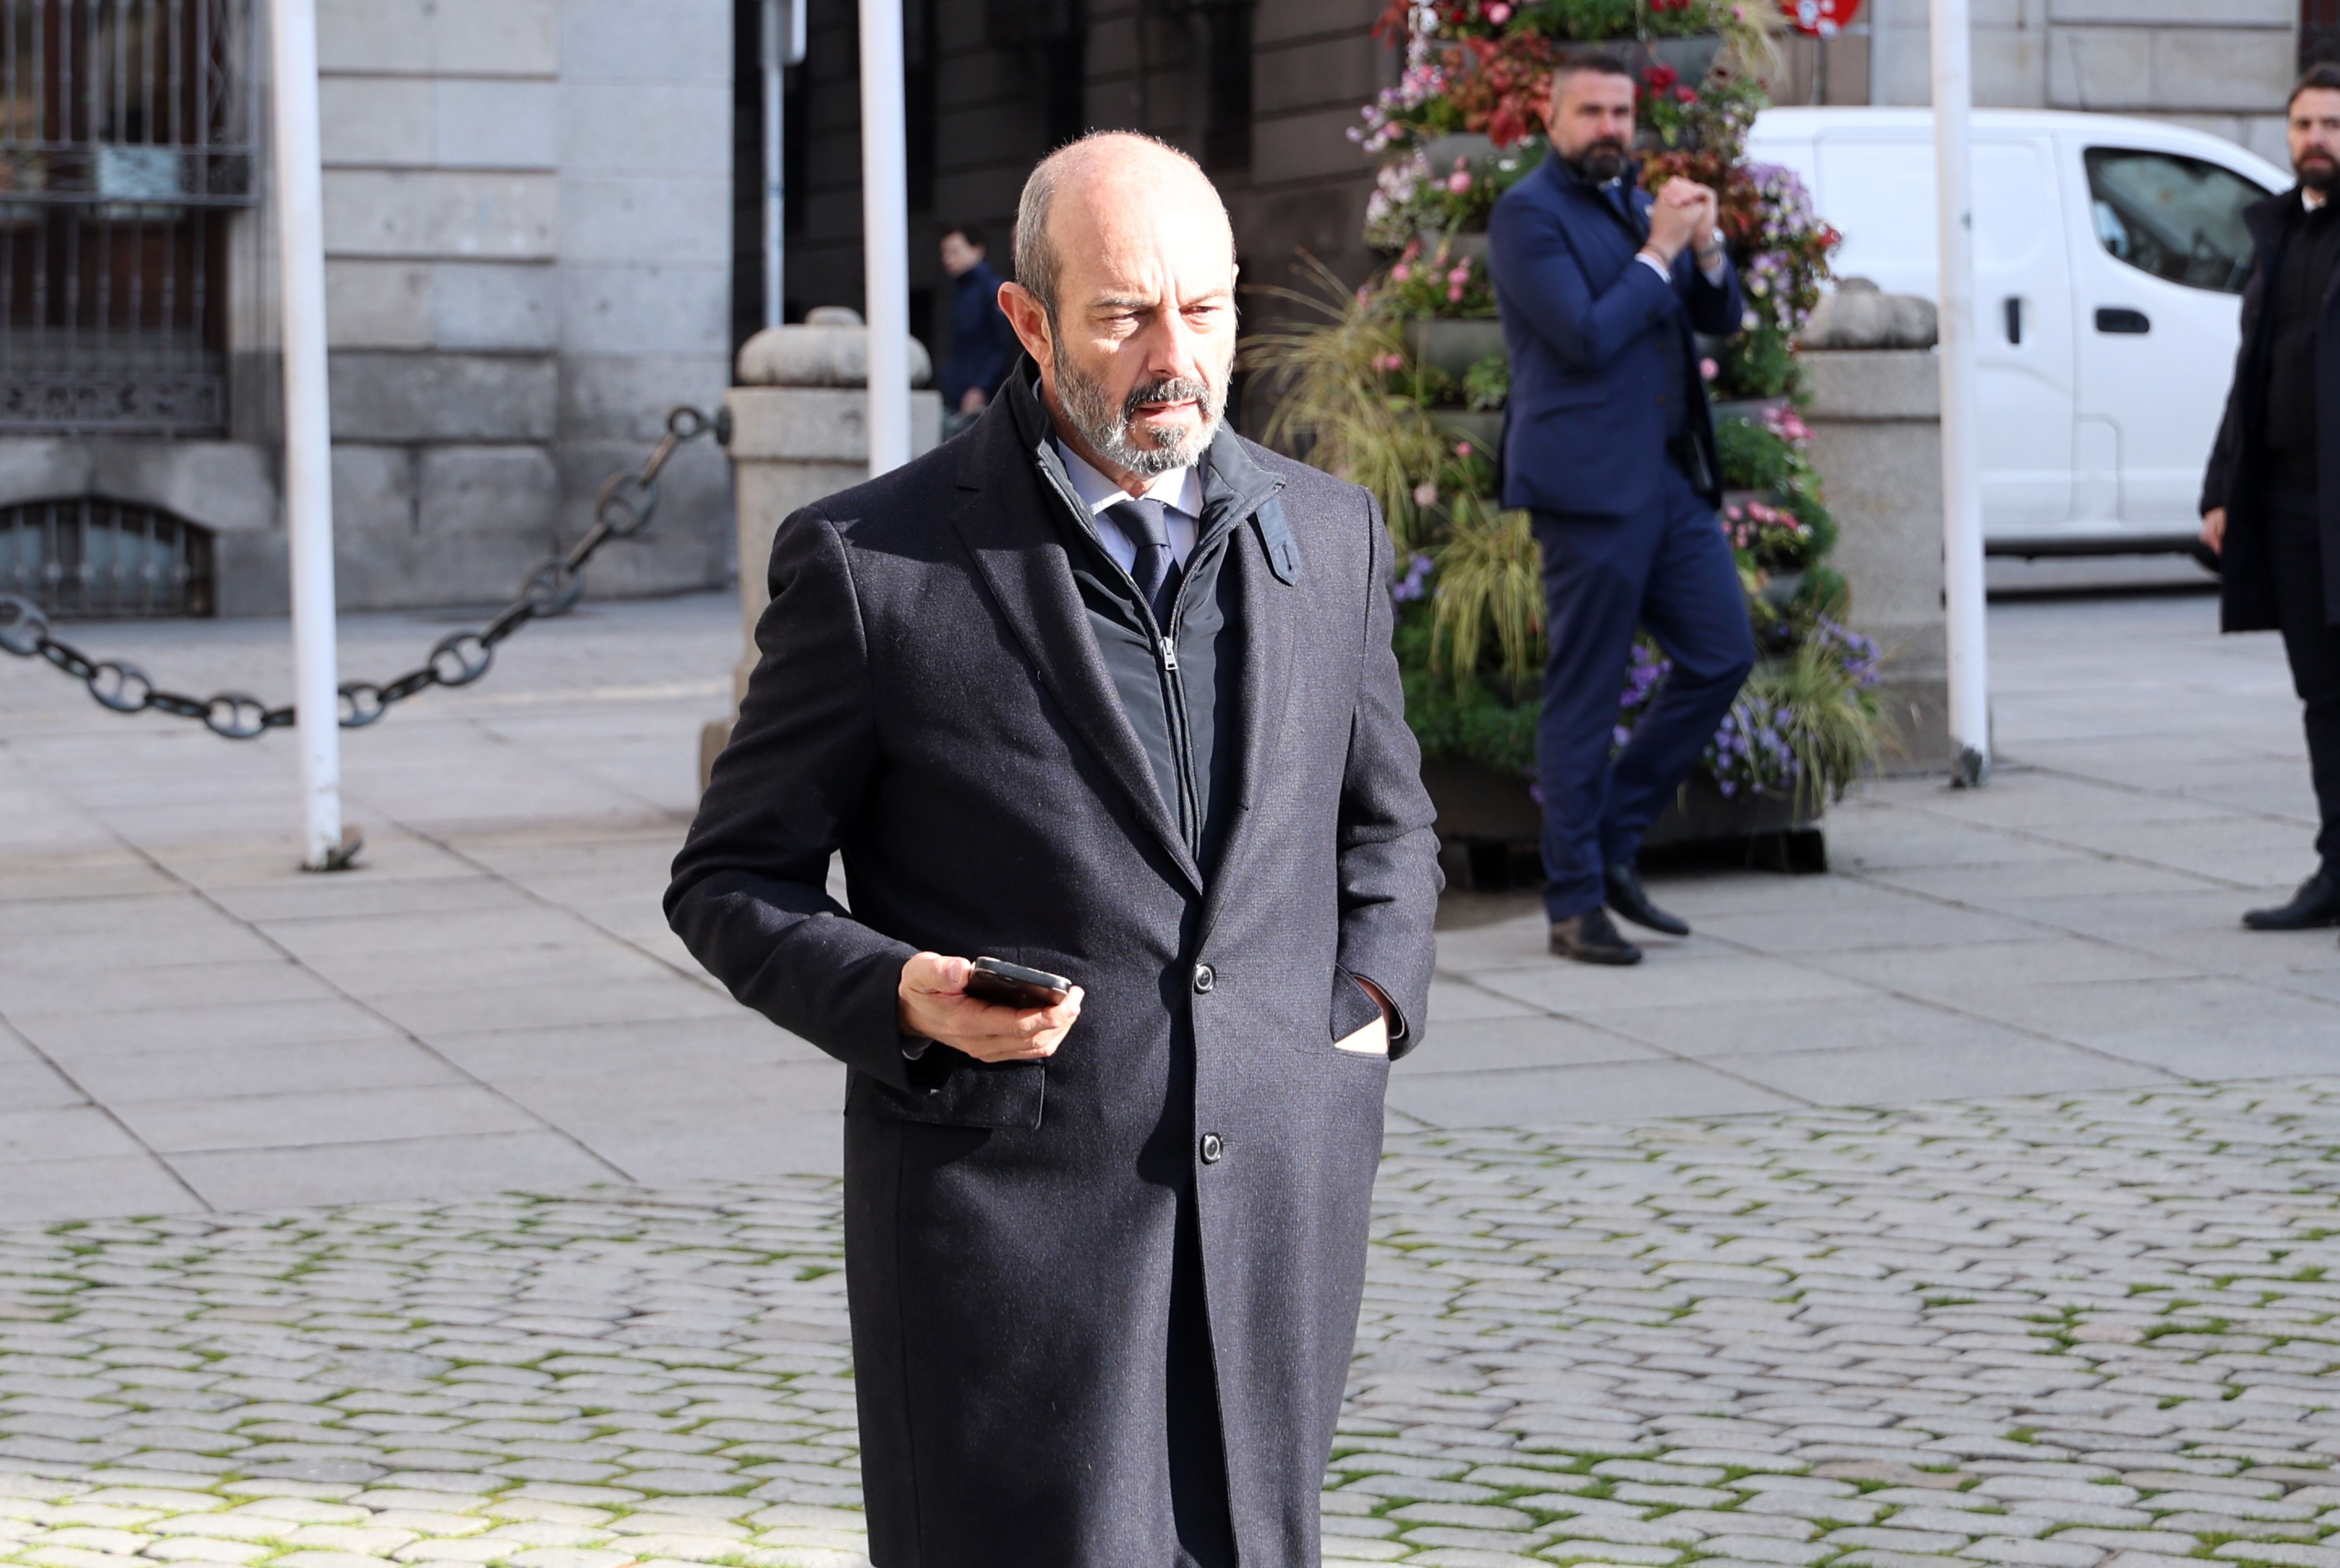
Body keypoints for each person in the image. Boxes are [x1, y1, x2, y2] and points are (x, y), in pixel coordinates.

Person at [666, 132, 1440, 1568]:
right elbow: (727, 881)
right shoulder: (873, 563)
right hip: (1010, 1233)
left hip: (1275, 1200)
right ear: (1027, 322)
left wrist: (1365, 1012)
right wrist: (898, 991)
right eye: (1120, 313)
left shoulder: (1325, 533)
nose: (1171, 354)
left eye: (1201, 309)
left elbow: (1384, 818)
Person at [1486, 49, 1753, 967]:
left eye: (1620, 112)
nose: (1609, 127)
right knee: (1585, 698)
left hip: (1666, 483)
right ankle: (1572, 903)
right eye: (1591, 112)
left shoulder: (1635, 202)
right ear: (1552, 119)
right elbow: (1585, 335)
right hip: (1586, 490)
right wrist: (1661, 252)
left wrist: (1706, 245)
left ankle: (1610, 839)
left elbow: (1718, 317)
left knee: (1723, 653)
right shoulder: (1528, 215)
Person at [2202, 66, 2340, 935]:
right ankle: (2337, 868)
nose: (2316, 138)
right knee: (2323, 697)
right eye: (2303, 124)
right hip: (2288, 501)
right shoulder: (2279, 232)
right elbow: (2248, 375)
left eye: (2331, 122)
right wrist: (2222, 490)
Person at [938, 223, 1014, 427]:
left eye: (955, 251)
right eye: (945, 252)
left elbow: (1001, 346)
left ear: (977, 249)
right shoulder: (958, 291)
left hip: (982, 397)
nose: (948, 259)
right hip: (957, 395)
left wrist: (981, 387)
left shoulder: (993, 290)